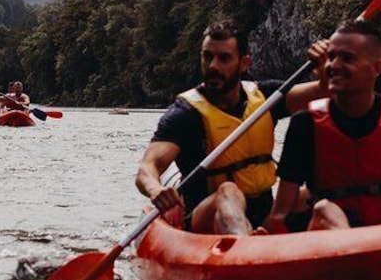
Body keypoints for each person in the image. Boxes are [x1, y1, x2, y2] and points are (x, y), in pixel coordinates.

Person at [135, 19, 329, 235]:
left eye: (224, 58)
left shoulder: (267, 98)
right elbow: (147, 168)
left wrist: (324, 68)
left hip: (263, 214)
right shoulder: (185, 114)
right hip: (205, 220)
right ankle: (245, 246)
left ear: (244, 63)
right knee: (228, 191)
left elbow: (325, 90)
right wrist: (155, 189)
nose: (213, 66)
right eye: (207, 57)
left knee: (307, 195)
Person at [262, 20, 381, 233]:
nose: (333, 65)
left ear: (376, 68)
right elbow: (280, 215)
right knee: (324, 209)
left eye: (347, 58)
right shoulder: (304, 125)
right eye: (331, 57)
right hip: (328, 240)